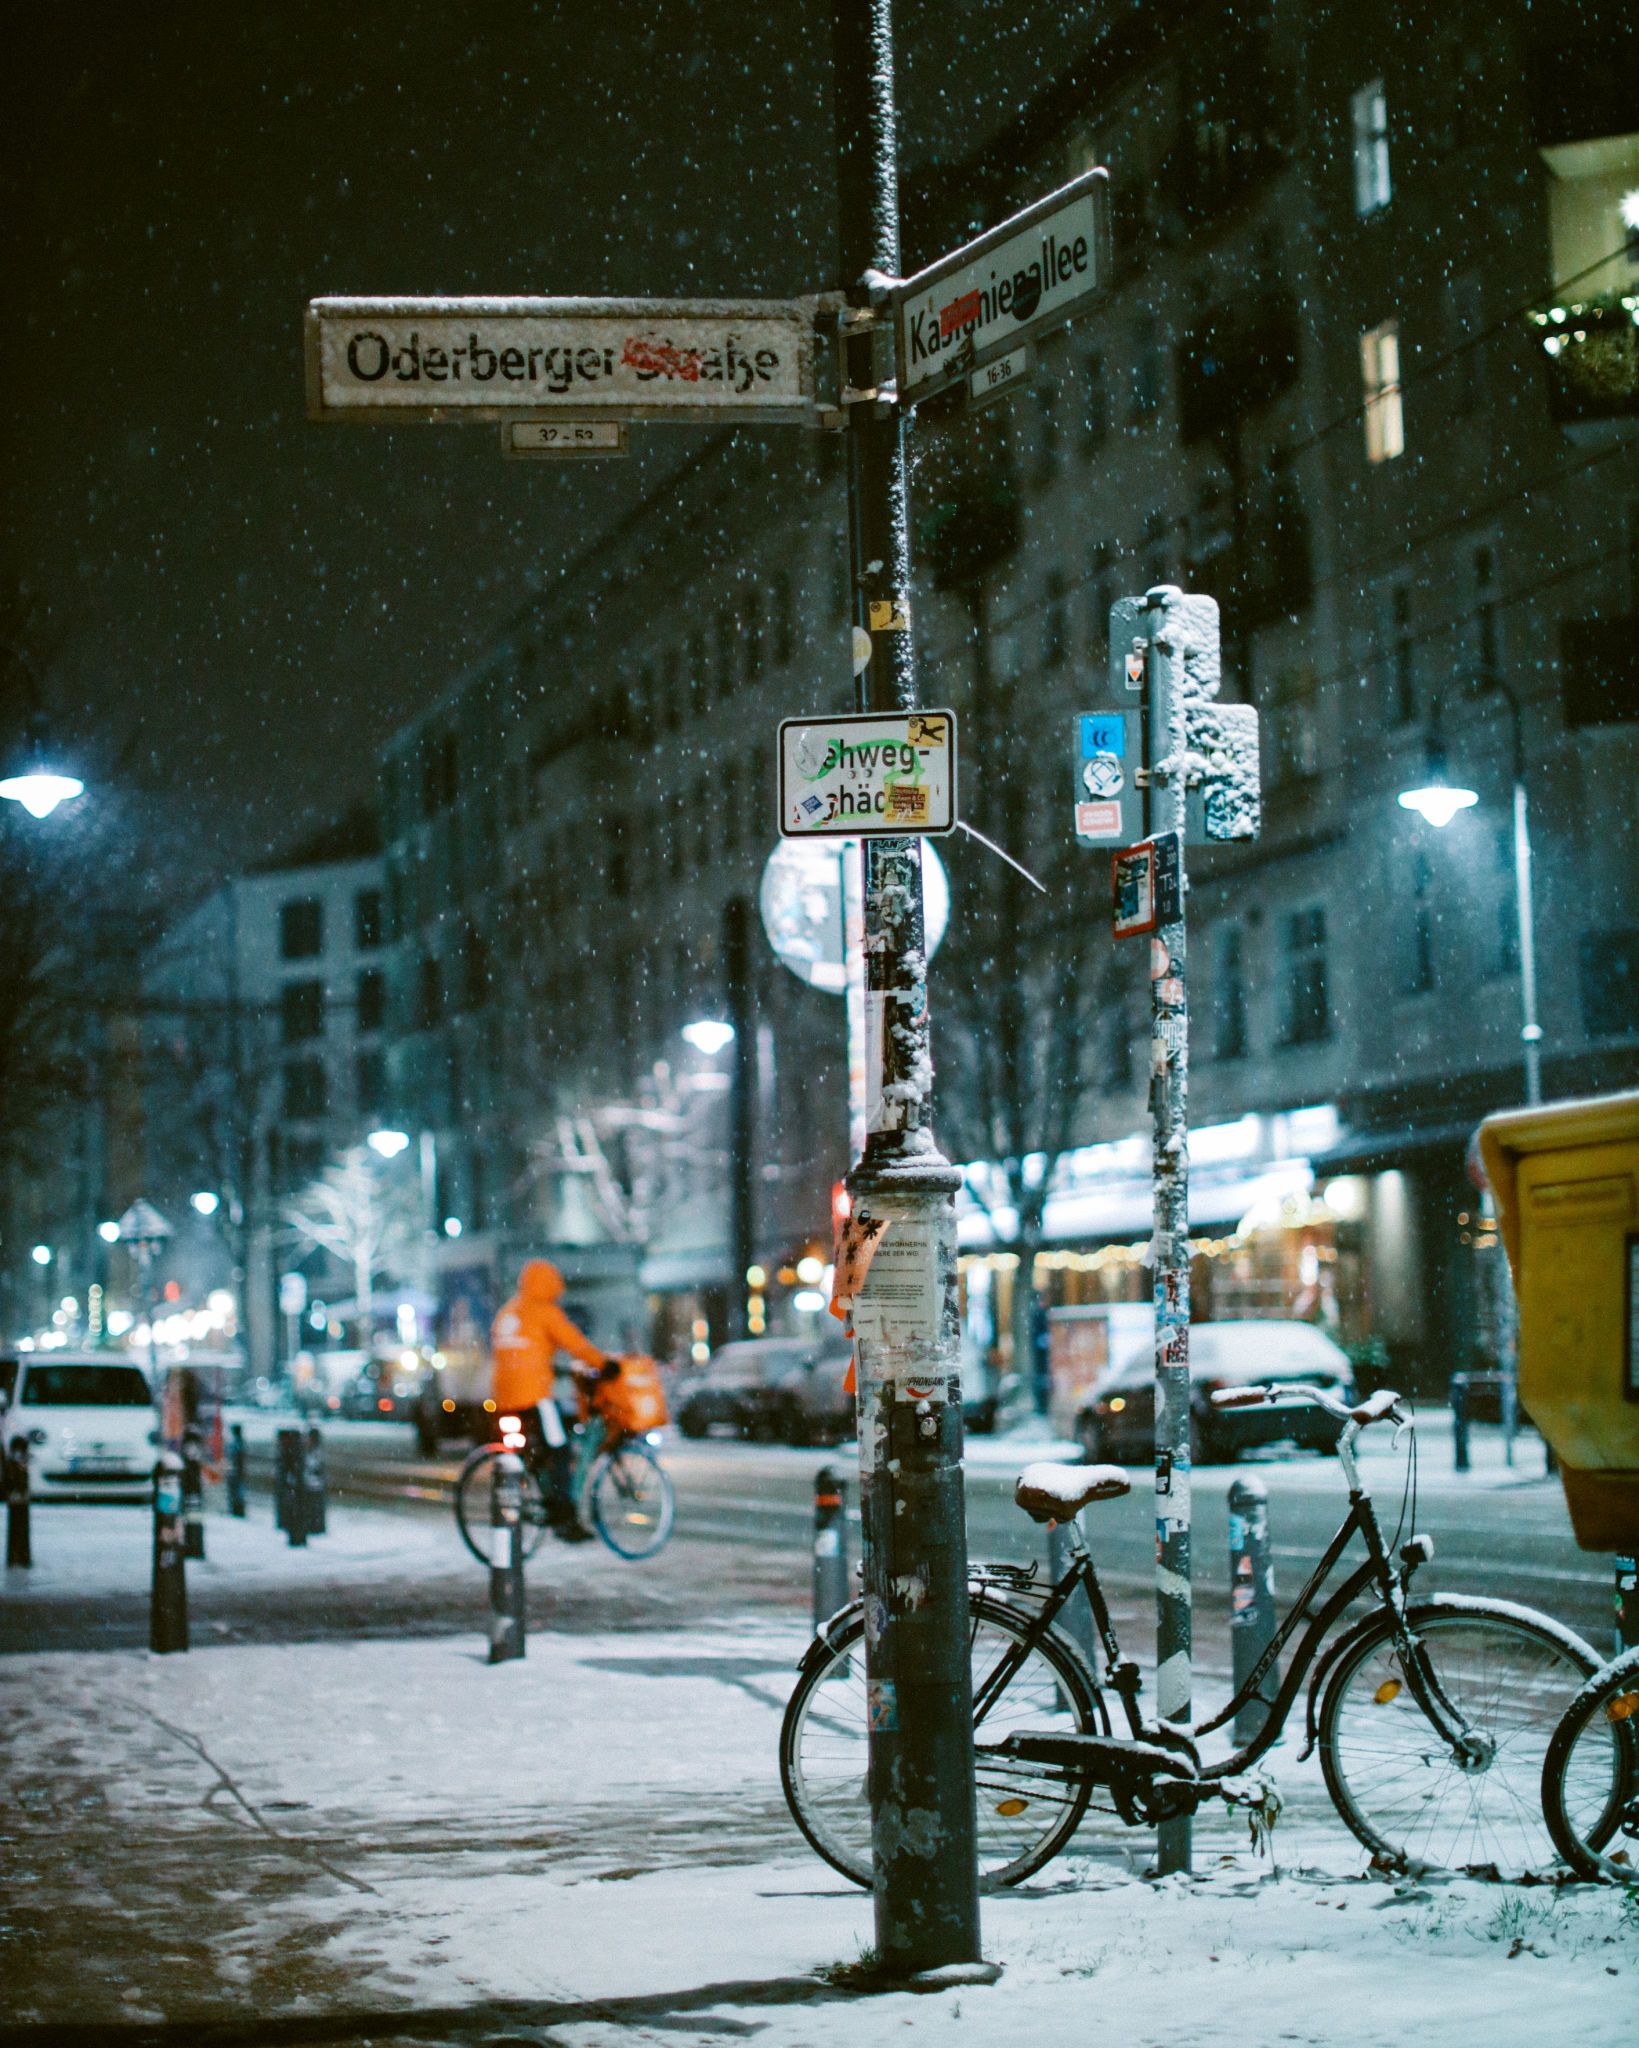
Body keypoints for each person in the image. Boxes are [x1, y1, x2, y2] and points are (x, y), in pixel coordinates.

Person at [490, 1259, 613, 1542]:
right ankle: (564, 1516)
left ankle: (536, 1484)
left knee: (532, 1450)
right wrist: (604, 1365)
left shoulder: (509, 1311)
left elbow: (516, 1354)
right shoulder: (545, 1312)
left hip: (504, 1398)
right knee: (560, 1449)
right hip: (534, 1396)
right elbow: (575, 1344)